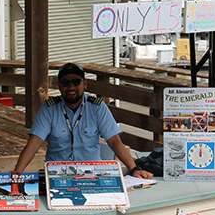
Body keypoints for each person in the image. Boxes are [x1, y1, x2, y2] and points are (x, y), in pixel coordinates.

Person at [13, 63, 153, 179]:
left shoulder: (97, 107)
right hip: (58, 174)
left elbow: (114, 141)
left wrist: (134, 168)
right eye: (66, 83)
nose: (71, 87)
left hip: (93, 173)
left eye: (76, 82)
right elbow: (35, 142)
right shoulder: (49, 108)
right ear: (59, 86)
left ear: (85, 84)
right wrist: (17, 172)